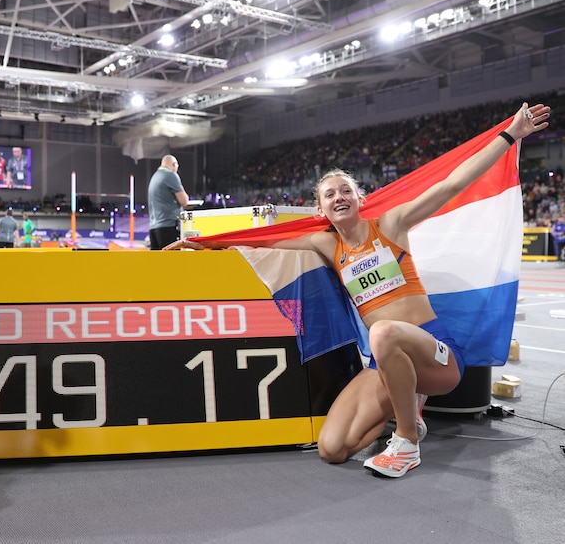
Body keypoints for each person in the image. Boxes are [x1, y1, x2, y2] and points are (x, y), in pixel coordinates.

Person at [166, 103, 551, 478]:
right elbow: (265, 241)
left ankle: (405, 441)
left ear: (359, 198)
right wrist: (205, 243)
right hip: (383, 362)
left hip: (436, 355)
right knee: (332, 449)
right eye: (329, 195)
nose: (338, 197)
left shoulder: (392, 225)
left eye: (345, 190)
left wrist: (510, 135)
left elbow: (452, 184)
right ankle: (407, 414)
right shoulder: (327, 246)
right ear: (323, 210)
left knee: (382, 332)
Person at [147, 154, 189, 250]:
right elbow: (184, 201)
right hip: (168, 226)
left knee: (158, 264)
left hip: (154, 228)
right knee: (172, 264)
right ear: (174, 164)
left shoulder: (155, 177)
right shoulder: (170, 175)